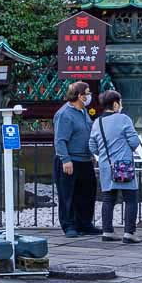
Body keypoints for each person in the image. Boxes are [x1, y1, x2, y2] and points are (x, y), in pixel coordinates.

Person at [88, 90, 142, 243]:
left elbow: (92, 146)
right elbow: (134, 141)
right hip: (123, 165)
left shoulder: (97, 122)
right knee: (130, 198)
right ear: (116, 103)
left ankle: (107, 231)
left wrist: (105, 153)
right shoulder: (123, 118)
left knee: (108, 199)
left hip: (106, 165)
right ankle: (129, 233)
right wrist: (125, 149)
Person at [53, 81, 98, 238]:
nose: (89, 95)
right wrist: (65, 159)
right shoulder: (64, 114)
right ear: (79, 96)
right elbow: (60, 140)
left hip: (85, 159)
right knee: (68, 194)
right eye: (87, 93)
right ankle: (69, 225)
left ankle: (85, 223)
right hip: (70, 159)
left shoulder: (83, 111)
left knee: (87, 193)